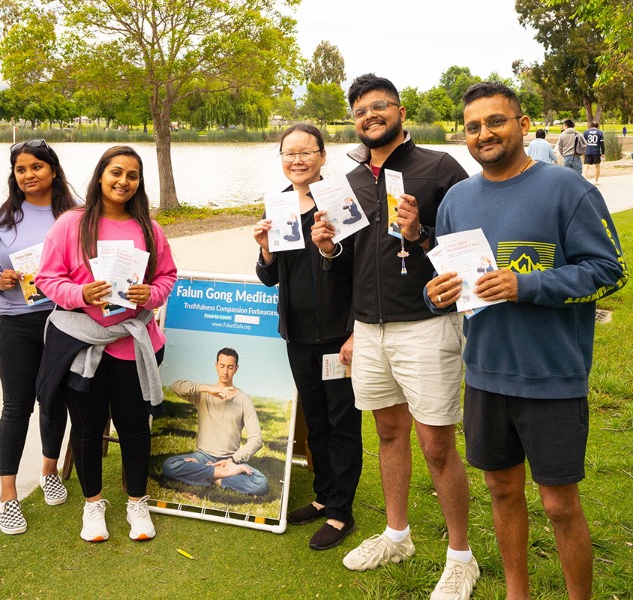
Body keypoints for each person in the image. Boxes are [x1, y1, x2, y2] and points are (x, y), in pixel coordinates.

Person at [426, 81, 628, 600]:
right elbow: (451, 285)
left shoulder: (567, 189)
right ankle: (518, 593)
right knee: (501, 488)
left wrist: (528, 284)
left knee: (560, 505)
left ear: (521, 123)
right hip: (487, 374)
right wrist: (436, 294)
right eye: (473, 126)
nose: (484, 133)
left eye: (495, 121)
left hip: (551, 374)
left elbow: (609, 273)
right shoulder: (456, 200)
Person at [311, 74, 477, 598]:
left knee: (437, 445)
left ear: (400, 110)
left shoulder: (440, 169)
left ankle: (460, 557)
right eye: (360, 110)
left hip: (426, 325)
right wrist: (328, 248)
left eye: (379, 106)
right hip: (370, 330)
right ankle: (397, 534)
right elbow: (350, 266)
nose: (370, 116)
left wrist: (419, 234)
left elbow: (468, 253)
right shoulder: (349, 181)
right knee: (387, 434)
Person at [34, 145, 177, 543]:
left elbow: (167, 277)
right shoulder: (71, 224)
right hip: (83, 347)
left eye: (132, 176)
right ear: (100, 175)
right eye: (116, 172)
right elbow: (47, 278)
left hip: (133, 344)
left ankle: (136, 502)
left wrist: (148, 294)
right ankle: (92, 504)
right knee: (87, 427)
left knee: (134, 427)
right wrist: (81, 294)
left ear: (139, 182)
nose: (123, 182)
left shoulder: (149, 228)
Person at [254, 123, 363, 551]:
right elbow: (268, 277)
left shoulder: (338, 200)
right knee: (315, 418)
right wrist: (264, 248)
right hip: (297, 332)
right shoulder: (278, 204)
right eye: (289, 153)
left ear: (322, 155)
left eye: (306, 152)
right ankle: (324, 497)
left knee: (342, 421)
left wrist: (328, 248)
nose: (297, 160)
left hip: (337, 333)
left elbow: (357, 266)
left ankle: (341, 513)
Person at [0, 139, 79, 535]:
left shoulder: (73, 215)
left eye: (36, 166)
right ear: (13, 175)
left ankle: (50, 470)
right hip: (15, 322)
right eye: (21, 169)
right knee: (16, 407)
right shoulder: (2, 218)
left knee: (54, 399)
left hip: (64, 321)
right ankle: (8, 496)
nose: (29, 175)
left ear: (53, 170)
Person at [162, 348, 269, 496]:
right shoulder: (204, 394)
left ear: (236, 369)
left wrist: (233, 460)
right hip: (203, 457)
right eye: (222, 366)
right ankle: (220, 476)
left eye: (230, 367)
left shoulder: (244, 400)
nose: (225, 372)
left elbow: (256, 440)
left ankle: (208, 476)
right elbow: (175, 386)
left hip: (231, 459)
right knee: (169, 466)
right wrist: (208, 389)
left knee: (260, 483)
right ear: (216, 366)